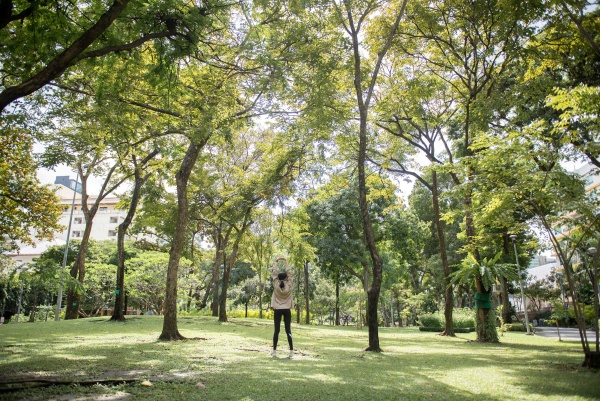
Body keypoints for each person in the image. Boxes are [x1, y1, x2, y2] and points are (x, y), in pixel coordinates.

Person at [270, 257, 293, 358]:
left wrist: (276, 262)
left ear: (278, 278)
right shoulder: (289, 284)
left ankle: (274, 352)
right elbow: (290, 274)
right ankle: (291, 352)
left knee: (276, 331)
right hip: (287, 309)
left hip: (277, 310)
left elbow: (274, 274)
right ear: (286, 278)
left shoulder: (276, 285)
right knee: (288, 331)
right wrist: (286, 262)